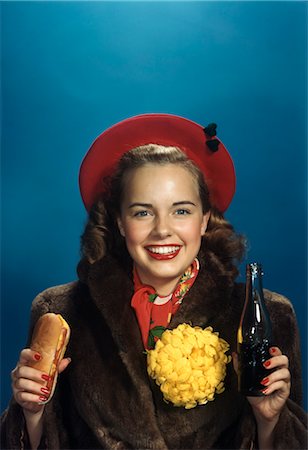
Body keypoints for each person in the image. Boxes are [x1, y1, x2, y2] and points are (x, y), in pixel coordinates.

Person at [1, 114, 307, 449]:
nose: (162, 230)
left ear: (205, 219)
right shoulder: (60, 311)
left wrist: (269, 420)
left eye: (181, 211)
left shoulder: (267, 317)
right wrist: (30, 413)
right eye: (143, 212)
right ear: (119, 221)